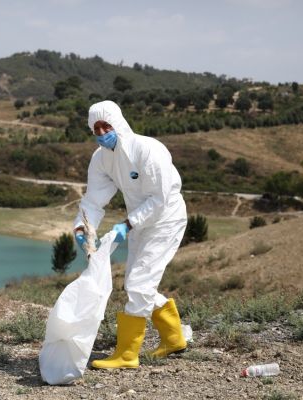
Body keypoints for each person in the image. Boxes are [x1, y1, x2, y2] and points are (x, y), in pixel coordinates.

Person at [73, 100, 188, 369]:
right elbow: (93, 200)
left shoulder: (147, 149)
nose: (101, 133)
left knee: (139, 284)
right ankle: (173, 339)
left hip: (165, 220)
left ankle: (127, 354)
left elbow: (159, 199)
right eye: (96, 128)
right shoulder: (101, 159)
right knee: (137, 284)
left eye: (106, 126)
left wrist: (126, 224)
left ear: (119, 123)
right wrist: (81, 227)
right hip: (138, 222)